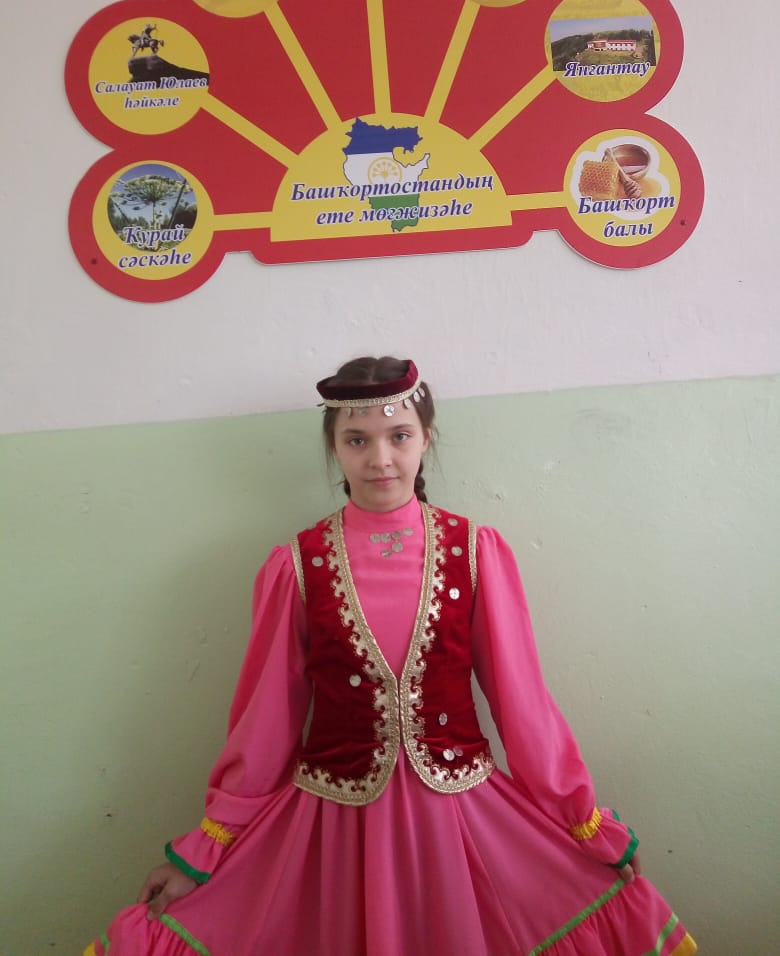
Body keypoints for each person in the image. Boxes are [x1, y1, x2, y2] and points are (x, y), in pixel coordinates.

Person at [84, 356, 696, 956]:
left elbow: (522, 703)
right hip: (332, 831)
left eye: (399, 436)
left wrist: (582, 820)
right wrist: (209, 845)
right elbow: (265, 721)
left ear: (426, 439)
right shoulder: (296, 566)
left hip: (460, 822)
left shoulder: (473, 552)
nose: (380, 458)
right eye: (357, 440)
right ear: (334, 449)